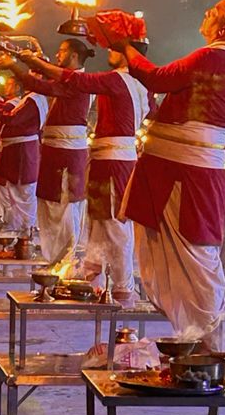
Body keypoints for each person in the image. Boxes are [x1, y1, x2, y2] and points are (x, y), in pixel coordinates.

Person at [98, 0, 225, 348]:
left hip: (185, 173)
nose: (207, 11)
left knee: (195, 258)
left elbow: (156, 78)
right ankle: (196, 336)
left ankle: (207, 339)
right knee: (189, 257)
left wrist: (126, 47)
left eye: (215, 11)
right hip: (181, 169)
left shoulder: (212, 55)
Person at [18, 32, 152, 302]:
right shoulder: (140, 84)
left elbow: (76, 79)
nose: (109, 53)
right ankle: (94, 275)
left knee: (114, 224)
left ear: (127, 54)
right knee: (99, 222)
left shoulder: (119, 79)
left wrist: (34, 63)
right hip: (108, 159)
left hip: (115, 161)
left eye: (114, 49)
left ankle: (124, 287)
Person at [7, 39, 94, 265]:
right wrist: (34, 58)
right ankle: (54, 261)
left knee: (63, 208)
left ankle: (66, 264)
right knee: (48, 205)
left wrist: (15, 65)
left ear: (74, 56)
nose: (58, 54)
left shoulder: (79, 83)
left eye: (62, 51)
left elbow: (42, 85)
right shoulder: (67, 79)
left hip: (67, 155)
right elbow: (48, 75)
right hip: (54, 152)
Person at [0, 74, 48, 231]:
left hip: (23, 154)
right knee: (14, 194)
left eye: (10, 84)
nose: (6, 87)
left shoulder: (34, 100)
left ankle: (23, 233)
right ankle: (9, 227)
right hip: (16, 152)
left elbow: (11, 118)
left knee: (22, 195)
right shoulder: (26, 100)